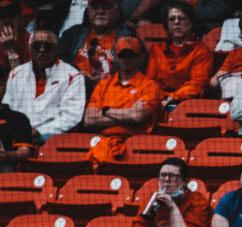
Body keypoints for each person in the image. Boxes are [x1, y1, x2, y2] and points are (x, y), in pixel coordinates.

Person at [81, 33, 158, 165]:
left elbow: (138, 116)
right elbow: (89, 120)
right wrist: (127, 115)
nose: (127, 59)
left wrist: (105, 111)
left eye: (132, 55)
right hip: (104, 143)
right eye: (122, 55)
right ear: (115, 57)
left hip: (137, 144)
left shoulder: (150, 85)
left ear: (140, 58)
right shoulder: (103, 84)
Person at [128, 157, 208, 227]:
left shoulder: (197, 202)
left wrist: (172, 207)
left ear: (185, 182)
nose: (166, 180)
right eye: (163, 175)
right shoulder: (151, 200)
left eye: (173, 176)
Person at [3, 28, 83, 140]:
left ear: (56, 49)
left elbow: (71, 116)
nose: (42, 50)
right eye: (36, 46)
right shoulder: (16, 73)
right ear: (30, 48)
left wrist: (39, 131)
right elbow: (7, 107)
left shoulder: (73, 76)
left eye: (47, 46)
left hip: (51, 135)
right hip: (17, 133)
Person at [144, 1, 208, 106]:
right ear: (166, 25)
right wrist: (159, 98)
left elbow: (197, 85)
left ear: (191, 23)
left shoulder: (201, 52)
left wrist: (171, 98)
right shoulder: (156, 50)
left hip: (185, 104)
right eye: (172, 19)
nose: (176, 22)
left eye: (181, 18)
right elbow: (149, 82)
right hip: (156, 101)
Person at [62, 0, 133, 80]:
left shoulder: (130, 39)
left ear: (117, 12)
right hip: (75, 84)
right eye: (95, 7)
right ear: (88, 11)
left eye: (106, 7)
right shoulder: (72, 34)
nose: (100, 11)